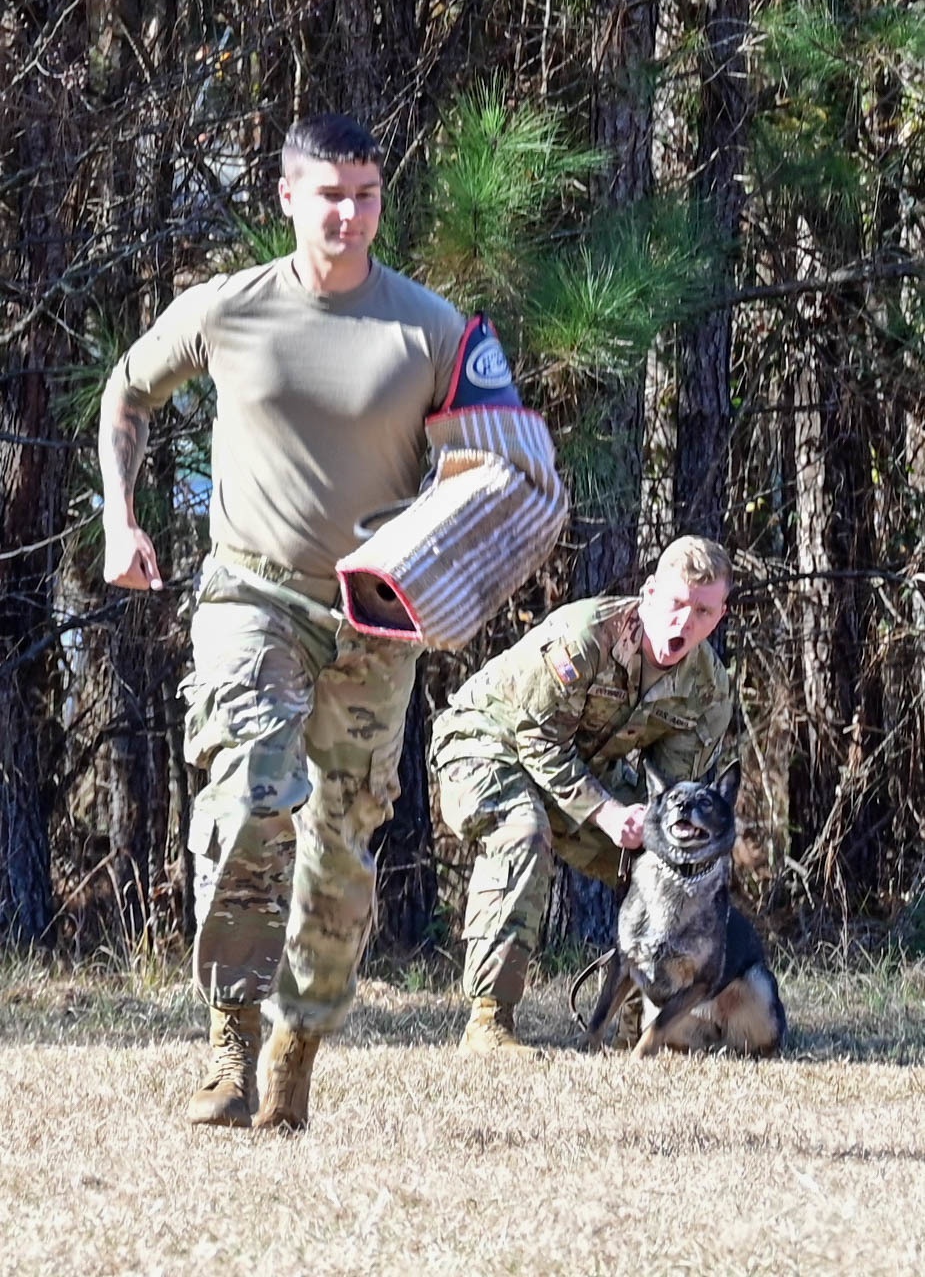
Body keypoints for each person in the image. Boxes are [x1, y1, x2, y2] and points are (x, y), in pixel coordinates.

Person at [97, 112, 557, 1130]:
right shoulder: (229, 308)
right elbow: (126, 394)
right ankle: (229, 1039)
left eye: (367, 194)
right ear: (287, 196)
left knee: (341, 846)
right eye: (329, 194)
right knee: (257, 789)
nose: (349, 214)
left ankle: (300, 1041)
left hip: (374, 614)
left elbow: (505, 462)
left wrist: (468, 548)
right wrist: (119, 518)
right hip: (250, 592)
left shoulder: (433, 327)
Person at [429, 534, 735, 1056]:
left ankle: (641, 1022)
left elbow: (670, 801)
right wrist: (608, 811)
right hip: (488, 741)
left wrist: (642, 829)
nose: (685, 622)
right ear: (650, 594)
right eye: (677, 603)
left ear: (720, 615)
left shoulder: (708, 691)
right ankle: (488, 1023)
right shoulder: (585, 635)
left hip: (580, 770)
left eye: (703, 611)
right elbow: (535, 738)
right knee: (522, 831)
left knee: (656, 859)